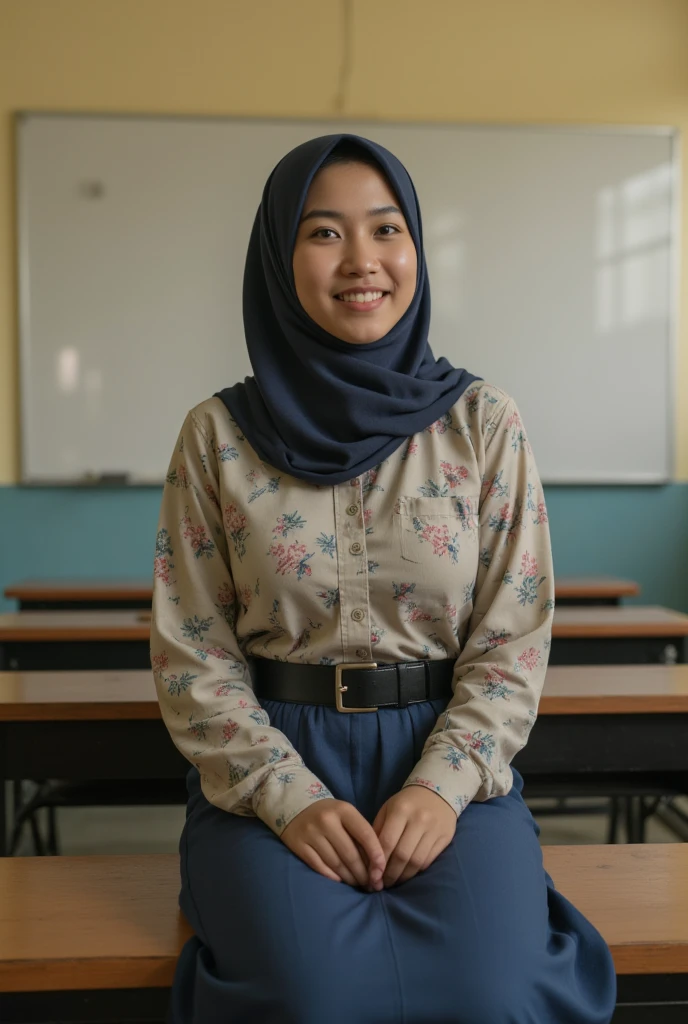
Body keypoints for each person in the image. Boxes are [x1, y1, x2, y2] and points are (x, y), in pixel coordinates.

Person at [151, 133, 616, 1024]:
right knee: (307, 998)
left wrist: (441, 787)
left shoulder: (485, 423)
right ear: (280, 259)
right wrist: (287, 800)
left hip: (449, 758)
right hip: (273, 764)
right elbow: (192, 655)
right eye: (324, 233)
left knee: (494, 996)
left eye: (386, 228)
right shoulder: (215, 435)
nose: (362, 260)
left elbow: (513, 639)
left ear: (416, 250)